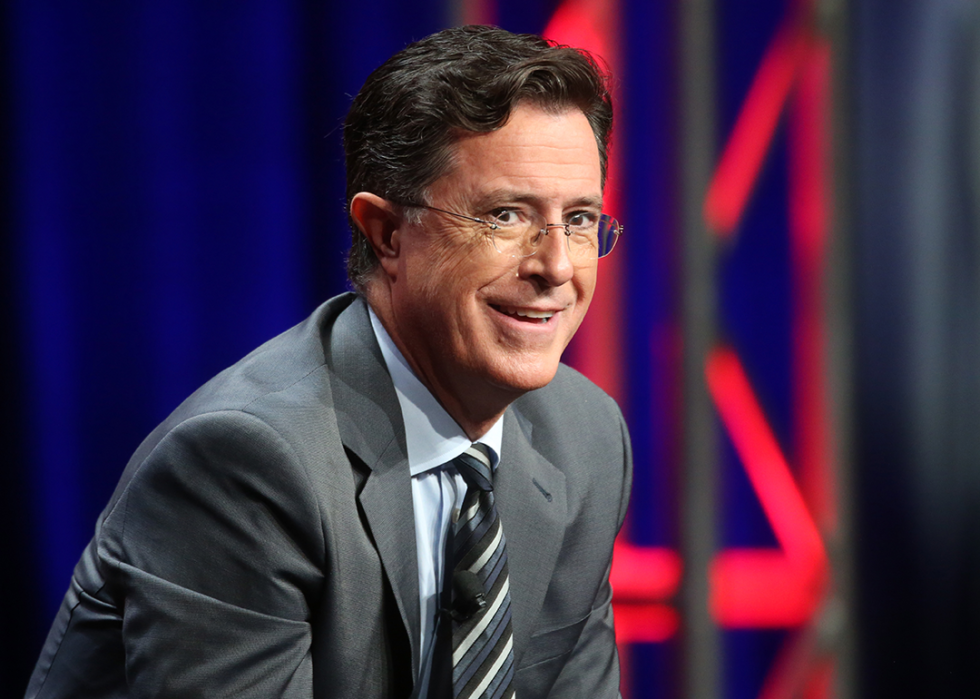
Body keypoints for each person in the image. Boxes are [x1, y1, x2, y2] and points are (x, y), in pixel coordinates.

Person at [26, 25, 632, 699]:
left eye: (579, 219)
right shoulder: (248, 462)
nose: (555, 266)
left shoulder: (586, 436)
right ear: (387, 232)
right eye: (505, 216)